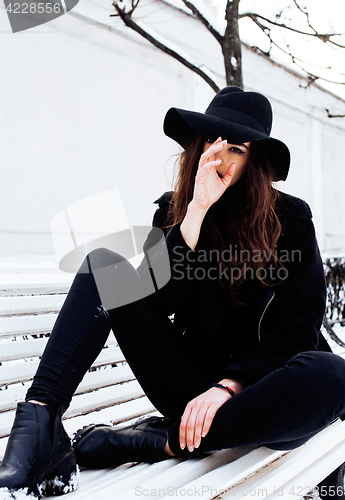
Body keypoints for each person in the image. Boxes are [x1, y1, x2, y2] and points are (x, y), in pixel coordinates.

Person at [1, 86, 345, 499]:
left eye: (234, 147)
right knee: (102, 265)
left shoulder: (290, 218)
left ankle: (156, 440)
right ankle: (39, 425)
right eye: (209, 143)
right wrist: (195, 213)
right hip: (187, 388)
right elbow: (162, 300)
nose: (217, 158)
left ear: (255, 159)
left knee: (334, 375)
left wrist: (229, 386)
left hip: (262, 396)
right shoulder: (174, 210)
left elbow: (298, 326)